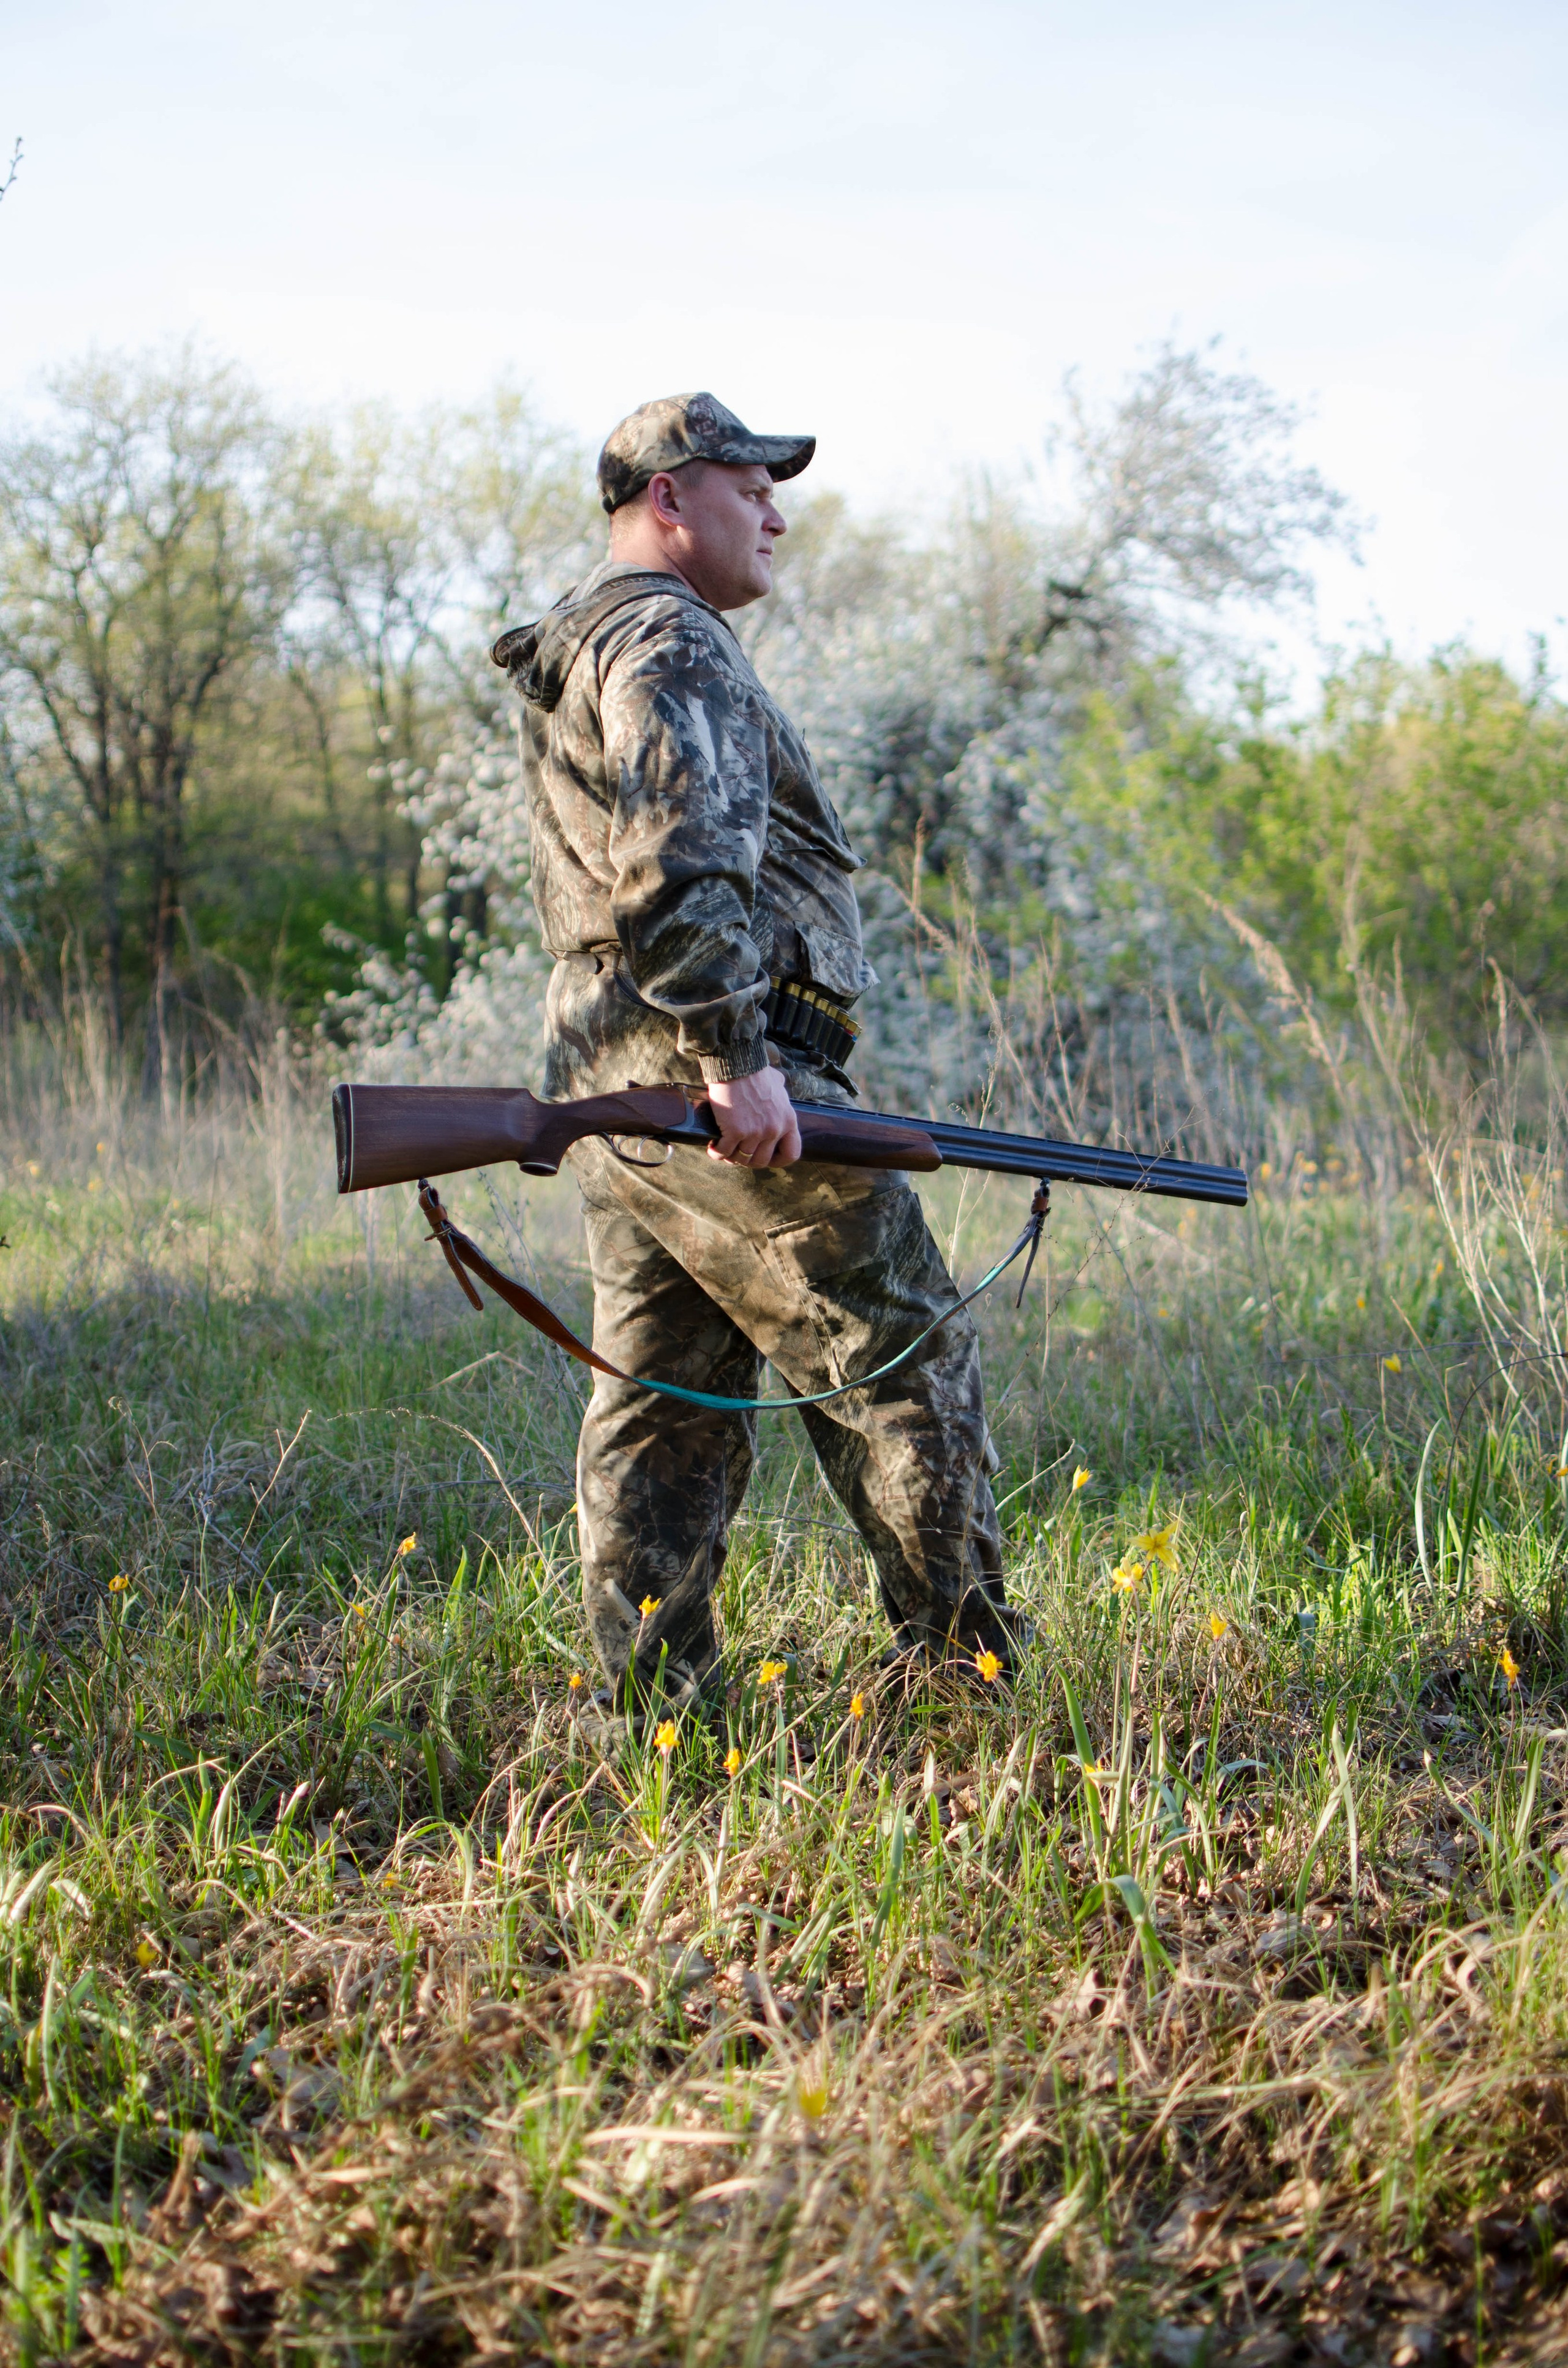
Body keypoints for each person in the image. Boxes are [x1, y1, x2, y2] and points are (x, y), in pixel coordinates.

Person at [492, 392, 1025, 1719]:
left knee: (663, 1396)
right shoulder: (671, 638)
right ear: (669, 499)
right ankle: (966, 1687)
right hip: (712, 1077)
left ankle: (651, 1712)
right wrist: (736, 1055)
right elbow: (679, 865)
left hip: (621, 1075)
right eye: (749, 486)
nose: (777, 511)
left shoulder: (599, 637)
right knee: (905, 1356)